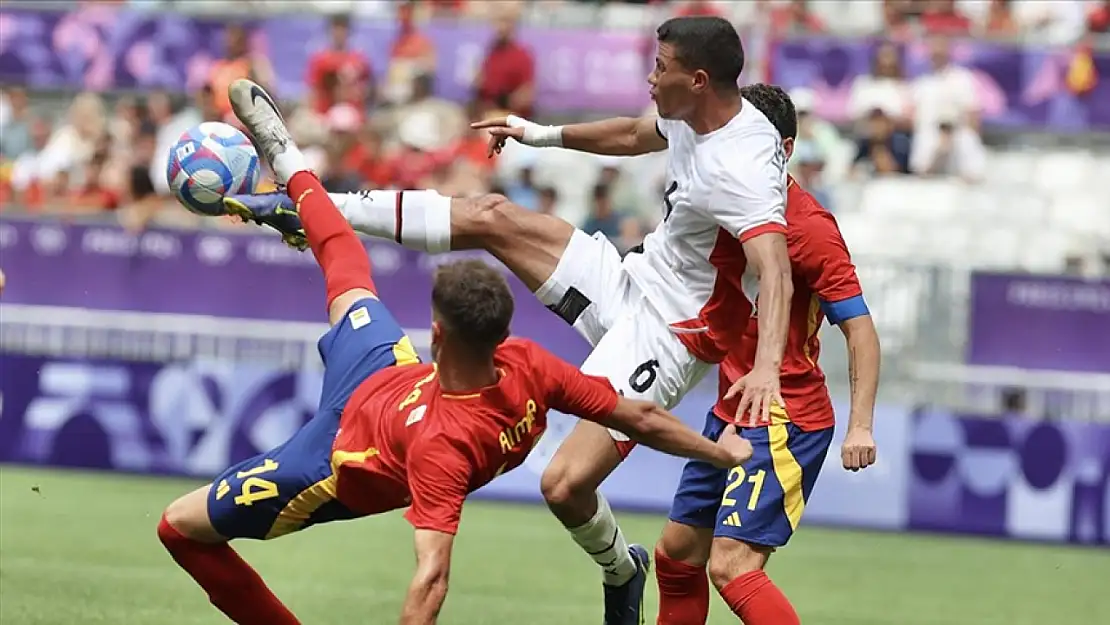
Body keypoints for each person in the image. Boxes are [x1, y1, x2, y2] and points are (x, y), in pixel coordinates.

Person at [224, 16, 793, 624]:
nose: (650, 76)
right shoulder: (691, 113)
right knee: (492, 215)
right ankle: (311, 208)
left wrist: (765, 371)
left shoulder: (743, 166)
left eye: (661, 67)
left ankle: (620, 569)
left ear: (698, 79)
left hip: (671, 333)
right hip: (631, 280)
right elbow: (632, 134)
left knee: (564, 485)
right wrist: (536, 134)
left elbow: (776, 272)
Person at [654, 83, 881, 625]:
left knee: (731, 566)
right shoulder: (722, 197)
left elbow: (861, 330)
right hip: (730, 411)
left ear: (778, 148)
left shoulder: (809, 229)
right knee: (676, 554)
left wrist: (861, 426)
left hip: (785, 416)